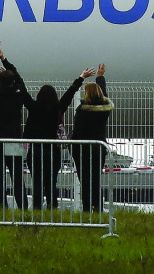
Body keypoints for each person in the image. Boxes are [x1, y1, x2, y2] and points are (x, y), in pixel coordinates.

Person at [23, 67, 96, 210]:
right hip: (53, 151)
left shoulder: (33, 107)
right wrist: (81, 77)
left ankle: (37, 209)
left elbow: (24, 93)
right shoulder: (58, 108)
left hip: (36, 150)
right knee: (51, 183)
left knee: (36, 182)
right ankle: (52, 208)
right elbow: (69, 94)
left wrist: (11, 75)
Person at [0, 41, 28, 211]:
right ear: (14, 82)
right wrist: (5, 60)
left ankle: (1, 207)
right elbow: (20, 79)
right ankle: (22, 206)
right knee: (17, 176)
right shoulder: (19, 94)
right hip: (14, 139)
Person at [69, 64, 112, 214]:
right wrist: (100, 77)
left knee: (85, 182)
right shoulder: (104, 110)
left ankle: (87, 209)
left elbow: (77, 133)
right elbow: (104, 95)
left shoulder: (83, 111)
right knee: (95, 180)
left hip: (83, 150)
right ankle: (98, 209)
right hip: (98, 149)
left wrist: (71, 146)